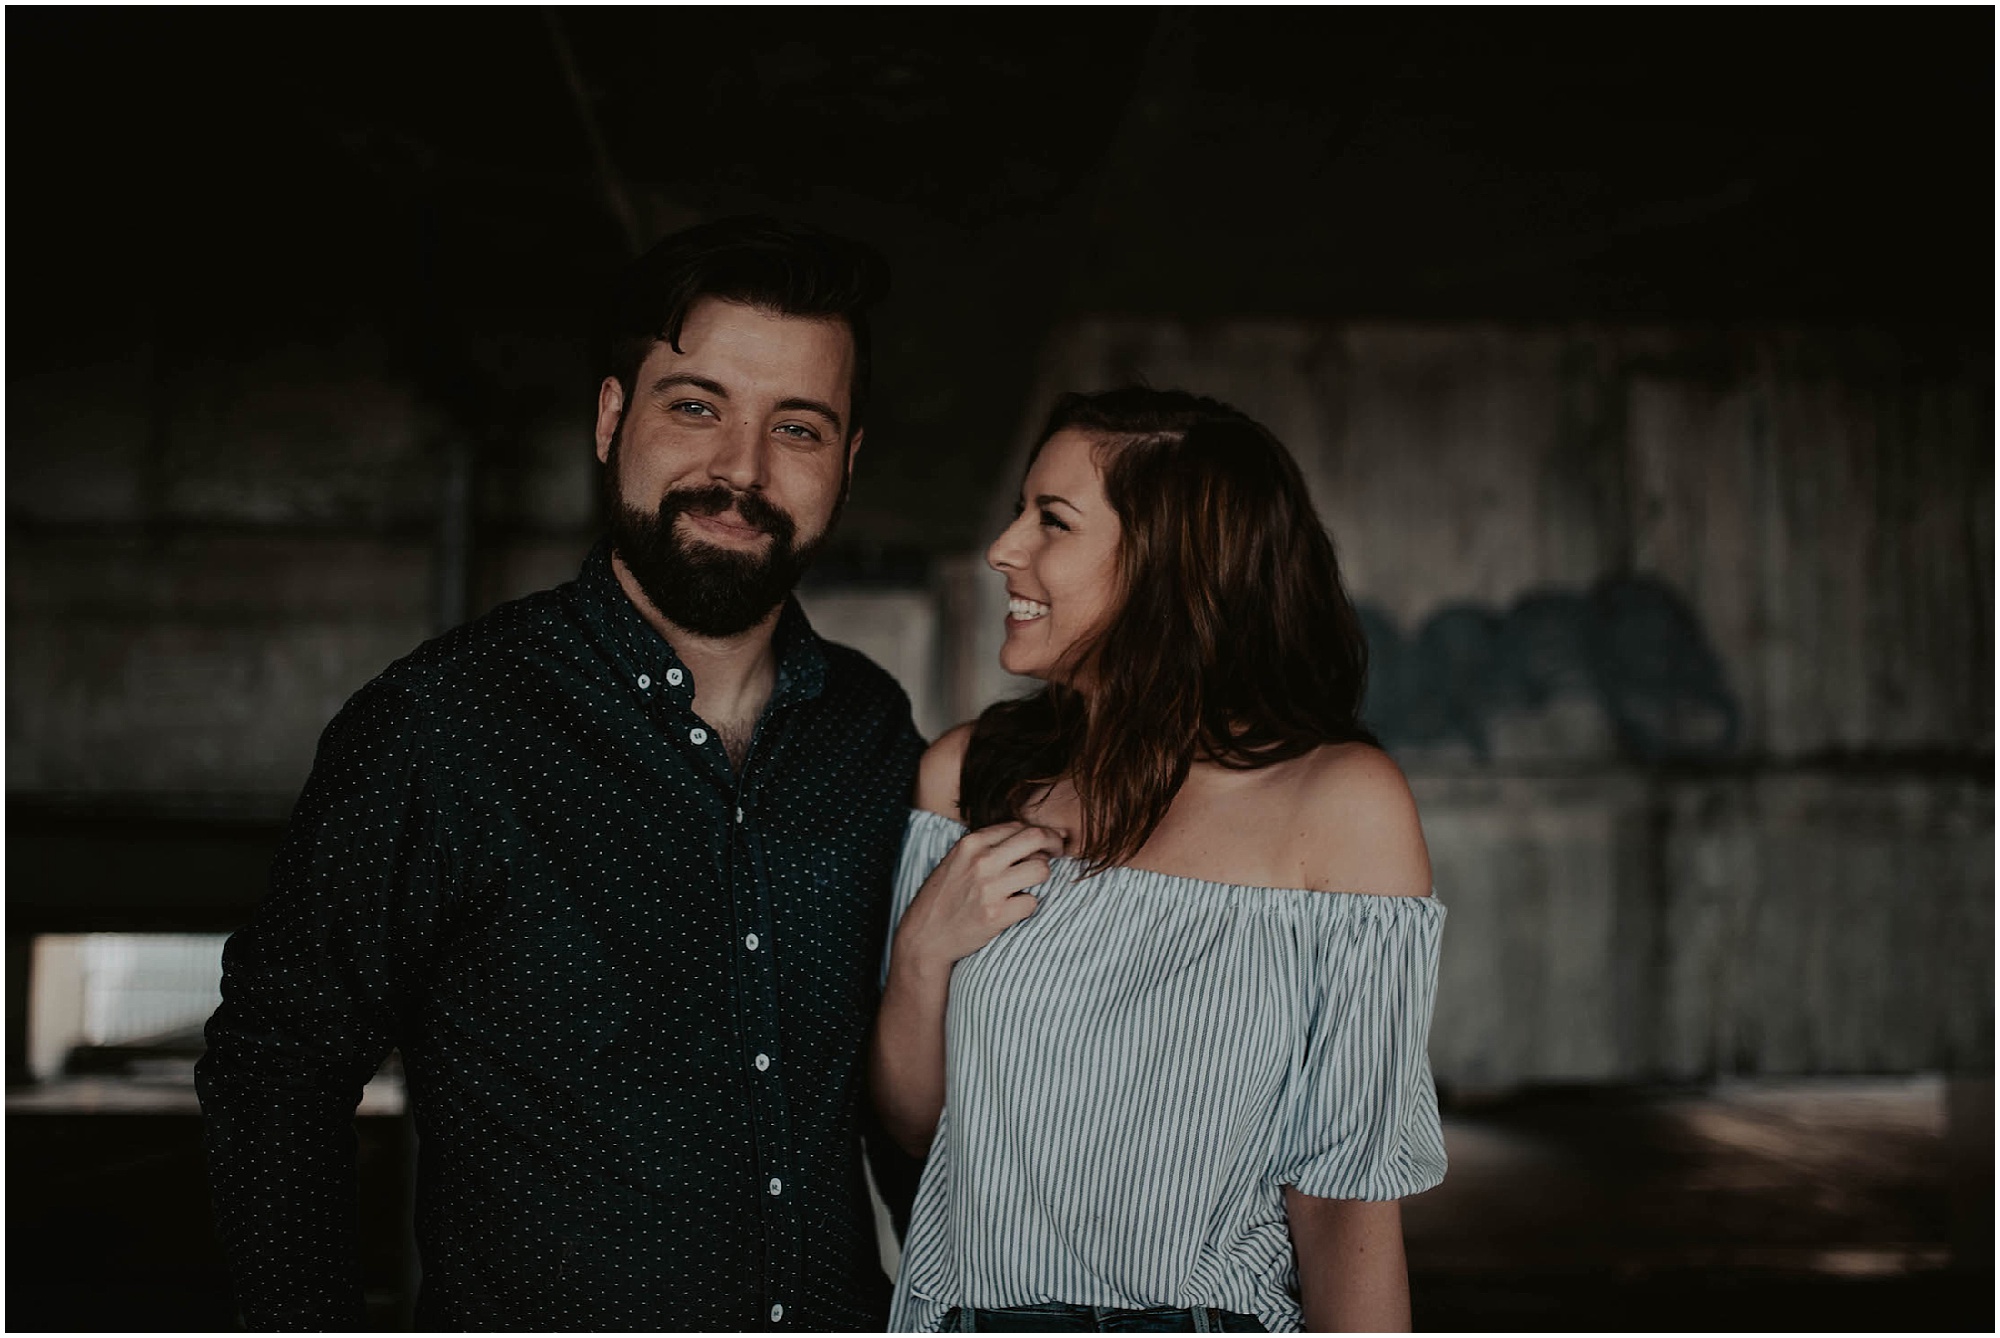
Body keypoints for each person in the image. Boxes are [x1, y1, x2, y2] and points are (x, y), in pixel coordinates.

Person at [196, 216, 925, 1331]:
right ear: (609, 419)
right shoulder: (440, 728)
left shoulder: (872, 733)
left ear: (848, 462)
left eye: (798, 428)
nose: (741, 469)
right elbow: (274, 1073)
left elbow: (898, 1101)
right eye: (696, 407)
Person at [871, 388, 1447, 1333]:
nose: (1003, 549)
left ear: (1171, 565)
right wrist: (925, 953)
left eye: (1052, 520)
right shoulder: (968, 777)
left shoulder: (1339, 805)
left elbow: (1345, 1198)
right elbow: (918, 1133)